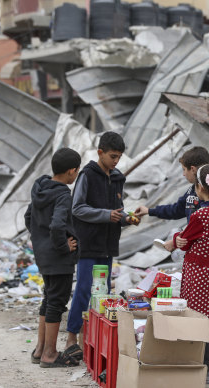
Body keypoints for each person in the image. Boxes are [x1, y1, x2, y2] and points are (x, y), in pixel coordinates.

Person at [65, 132, 139, 359]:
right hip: (88, 243)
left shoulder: (118, 177)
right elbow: (77, 208)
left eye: (119, 157)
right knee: (84, 288)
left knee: (104, 293)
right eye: (112, 156)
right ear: (100, 153)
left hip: (108, 245)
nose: (116, 161)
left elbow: (118, 209)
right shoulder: (87, 174)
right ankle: (71, 337)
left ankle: (97, 339)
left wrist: (127, 218)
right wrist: (107, 215)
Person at [172, 164, 209, 384]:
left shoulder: (199, 215)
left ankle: (206, 370)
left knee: (201, 322)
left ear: (199, 188)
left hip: (200, 276)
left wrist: (177, 239)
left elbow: (185, 241)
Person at [24, 147, 81, 368]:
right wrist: (62, 246)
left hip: (44, 256)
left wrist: (41, 241)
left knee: (48, 300)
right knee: (56, 303)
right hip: (59, 259)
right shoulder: (62, 193)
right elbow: (58, 225)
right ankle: (49, 353)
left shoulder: (40, 186)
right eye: (76, 172)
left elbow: (29, 216)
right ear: (71, 171)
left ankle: (39, 349)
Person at [134, 146, 209, 250]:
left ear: (192, 169)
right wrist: (149, 211)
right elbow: (177, 209)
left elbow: (201, 225)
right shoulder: (192, 191)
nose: (183, 174)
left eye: (184, 170)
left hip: (205, 252)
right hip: (193, 250)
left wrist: (175, 241)